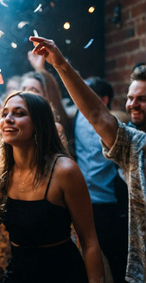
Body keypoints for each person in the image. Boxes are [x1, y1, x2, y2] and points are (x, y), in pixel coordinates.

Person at [31, 35, 146, 283]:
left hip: (109, 206)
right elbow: (95, 115)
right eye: (130, 98)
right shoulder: (136, 146)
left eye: (142, 99)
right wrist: (58, 65)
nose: (133, 105)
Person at [0, 91, 104, 282]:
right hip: (18, 275)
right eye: (4, 114)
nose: (8, 119)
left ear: (39, 123)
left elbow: (89, 242)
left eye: (19, 113)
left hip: (62, 275)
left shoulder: (65, 171)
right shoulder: (4, 171)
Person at [74, 76, 128, 282]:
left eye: (85, 92)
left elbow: (121, 117)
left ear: (103, 99)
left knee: (117, 260)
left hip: (109, 203)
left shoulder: (113, 120)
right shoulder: (78, 115)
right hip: (83, 202)